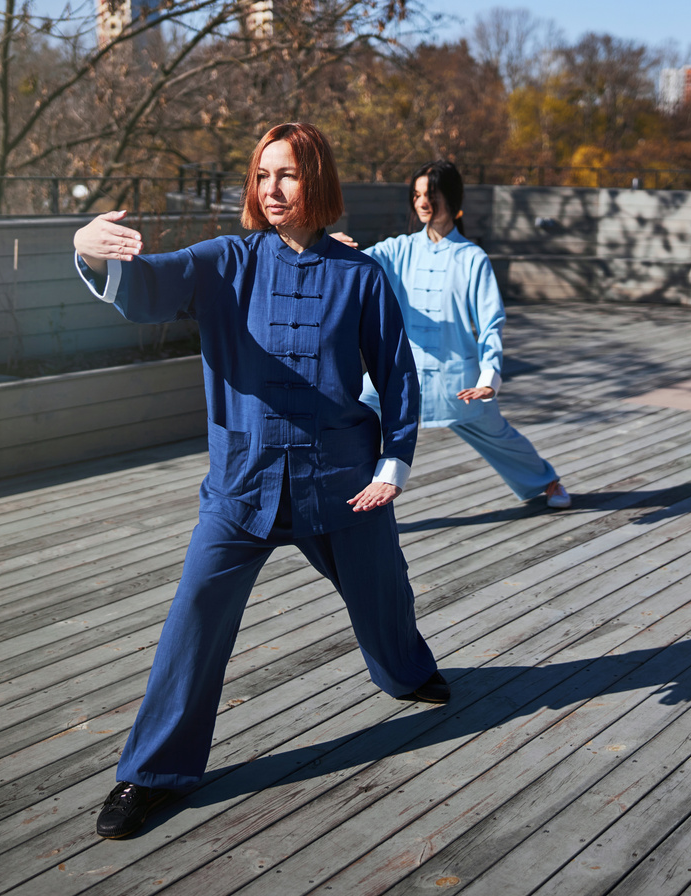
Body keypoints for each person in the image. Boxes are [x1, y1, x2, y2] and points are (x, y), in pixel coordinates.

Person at [72, 122, 449, 839]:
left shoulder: (360, 276)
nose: (272, 189)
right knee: (194, 620)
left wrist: (392, 464)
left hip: (341, 480)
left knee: (382, 592)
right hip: (243, 484)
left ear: (317, 181)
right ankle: (152, 774)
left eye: (288, 175)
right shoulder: (226, 261)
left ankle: (405, 673)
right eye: (262, 175)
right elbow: (148, 287)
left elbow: (398, 376)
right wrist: (89, 253)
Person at [344, 160, 570, 509]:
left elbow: (490, 320)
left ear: (451, 199)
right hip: (397, 374)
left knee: (500, 436)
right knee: (349, 413)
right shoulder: (399, 249)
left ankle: (549, 482)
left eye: (431, 195)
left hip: (456, 380)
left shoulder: (472, 258)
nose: (422, 202)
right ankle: (341, 494)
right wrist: (331, 244)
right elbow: (359, 260)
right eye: (417, 195)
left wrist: (488, 377)